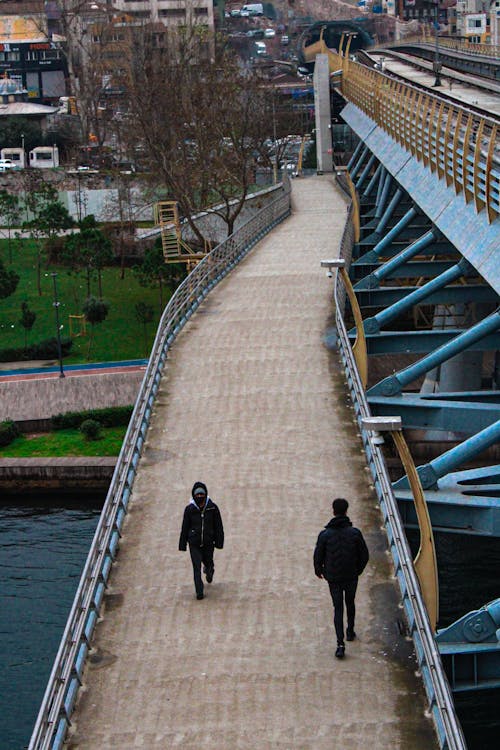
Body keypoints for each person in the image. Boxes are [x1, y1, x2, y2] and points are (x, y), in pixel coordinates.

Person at [313, 497, 369, 658]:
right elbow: (364, 555)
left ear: (333, 511)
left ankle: (340, 644)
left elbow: (318, 555)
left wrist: (320, 570)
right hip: (351, 575)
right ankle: (350, 631)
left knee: (338, 608)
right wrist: (358, 570)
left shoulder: (325, 535)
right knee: (350, 602)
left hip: (334, 577)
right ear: (346, 511)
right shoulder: (355, 533)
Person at [179, 481, 224, 600]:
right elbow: (185, 527)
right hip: (194, 543)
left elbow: (218, 526)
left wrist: (219, 542)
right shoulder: (189, 510)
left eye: (201, 494)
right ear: (193, 495)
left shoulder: (212, 508)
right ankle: (199, 591)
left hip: (209, 542)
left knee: (208, 562)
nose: (199, 496)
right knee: (196, 566)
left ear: (205, 494)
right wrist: (183, 544)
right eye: (197, 494)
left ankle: (209, 570)